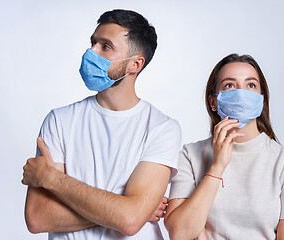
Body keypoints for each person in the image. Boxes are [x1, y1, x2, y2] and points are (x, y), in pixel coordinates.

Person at [22, 9, 181, 240]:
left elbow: (130, 220)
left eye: (105, 46)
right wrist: (128, 208)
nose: (91, 51)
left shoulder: (162, 128)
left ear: (134, 64)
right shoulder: (59, 120)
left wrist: (51, 179)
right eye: (93, 43)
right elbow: (38, 217)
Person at [164, 54, 284, 240]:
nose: (241, 93)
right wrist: (217, 167)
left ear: (261, 99)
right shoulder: (190, 156)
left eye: (251, 85)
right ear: (213, 101)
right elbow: (179, 233)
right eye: (229, 85)